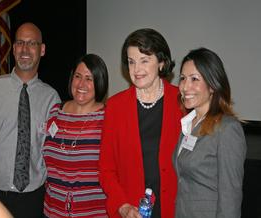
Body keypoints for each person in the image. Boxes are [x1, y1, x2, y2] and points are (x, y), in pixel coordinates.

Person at [0, 22, 61, 218]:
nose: (25, 49)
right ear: (13, 49)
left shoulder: (52, 98)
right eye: (20, 42)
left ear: (42, 50)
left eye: (32, 43)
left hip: (33, 200)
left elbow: (53, 152)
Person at [99, 28, 182, 218]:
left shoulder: (182, 102)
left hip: (175, 209)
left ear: (161, 62)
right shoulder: (115, 106)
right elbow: (106, 169)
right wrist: (122, 205)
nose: (136, 70)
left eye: (144, 60)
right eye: (131, 62)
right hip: (131, 211)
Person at [173, 47, 247, 218]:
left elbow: (230, 199)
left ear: (212, 85)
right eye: (183, 78)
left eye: (194, 79)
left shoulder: (228, 129)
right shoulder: (187, 125)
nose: (185, 86)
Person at [43, 53, 109, 217]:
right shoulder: (54, 112)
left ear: (99, 82)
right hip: (52, 211)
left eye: (89, 78)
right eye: (78, 76)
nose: (81, 84)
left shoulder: (108, 117)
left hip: (93, 213)